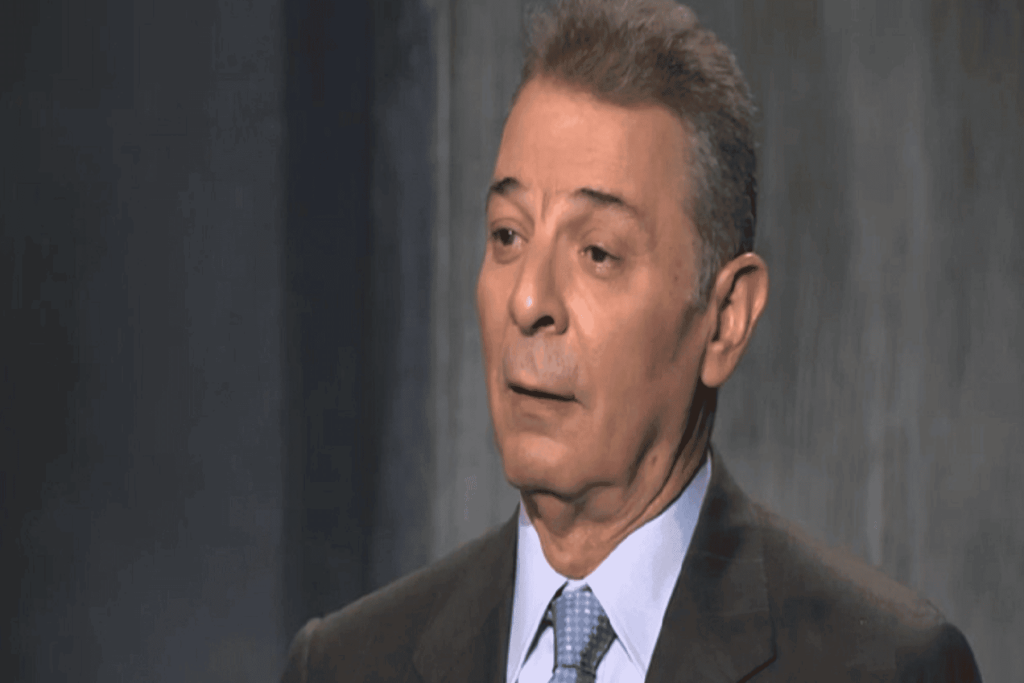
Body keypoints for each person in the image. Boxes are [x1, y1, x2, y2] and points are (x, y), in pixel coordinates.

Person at [281, 0, 982, 680]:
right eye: (508, 235)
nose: (528, 300)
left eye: (597, 253)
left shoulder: (885, 667)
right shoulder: (343, 665)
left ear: (726, 318)